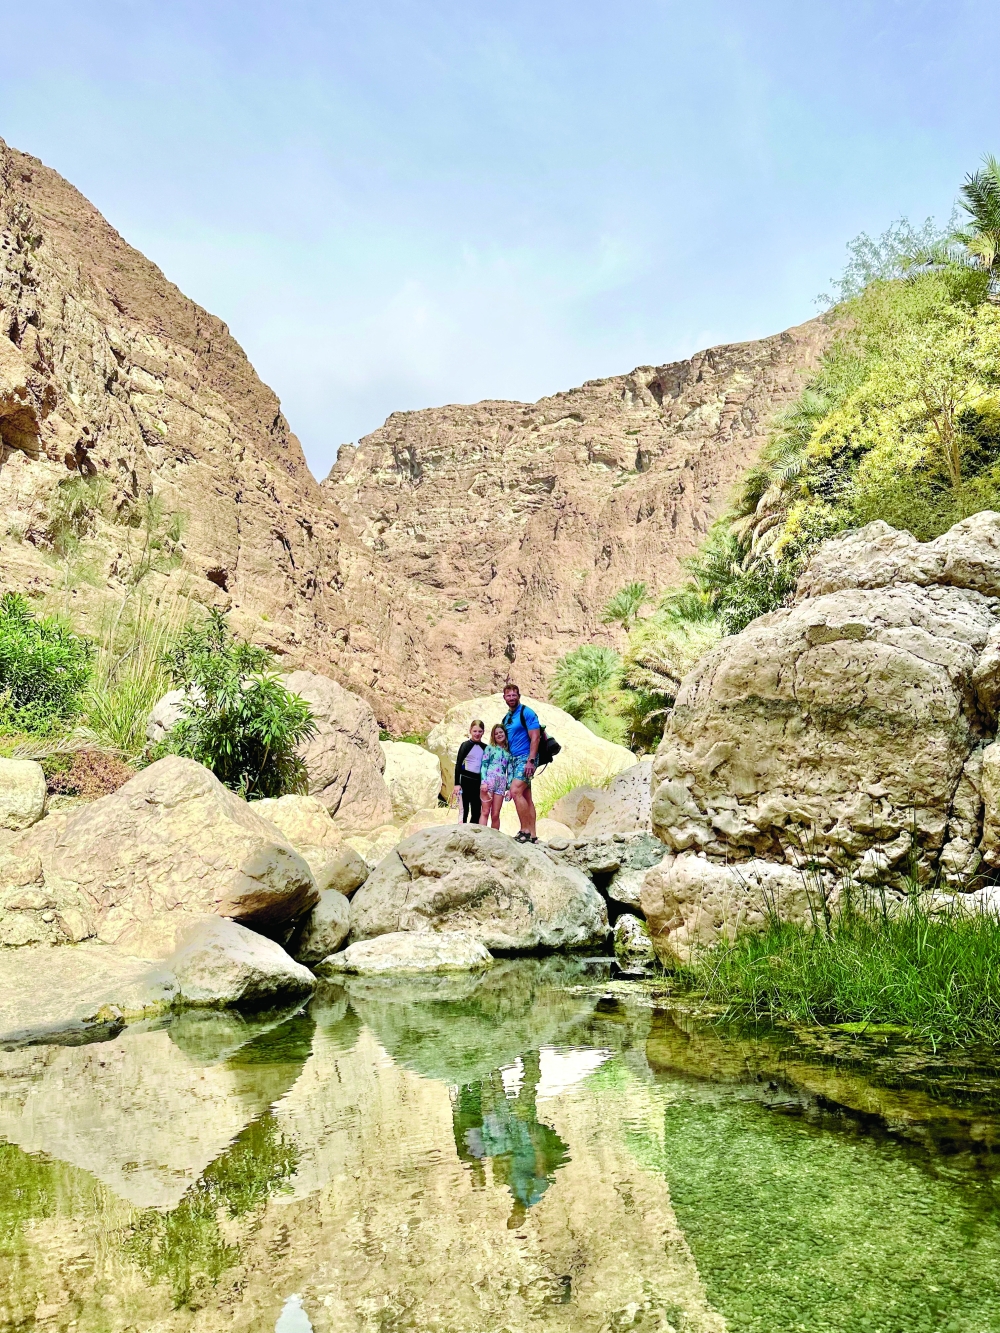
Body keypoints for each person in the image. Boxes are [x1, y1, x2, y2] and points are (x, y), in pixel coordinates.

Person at [501, 682, 540, 843]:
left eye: (514, 695)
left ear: (519, 696)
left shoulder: (527, 712)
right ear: (504, 698)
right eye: (508, 695)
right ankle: (533, 835)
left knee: (516, 790)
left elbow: (535, 737)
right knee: (526, 795)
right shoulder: (507, 718)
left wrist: (531, 760)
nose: (511, 698)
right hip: (514, 759)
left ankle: (524, 831)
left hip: (526, 757)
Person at [479, 724, 514, 830]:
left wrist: (509, 788)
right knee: (485, 811)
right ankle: (481, 836)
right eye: (496, 733)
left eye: (501, 732)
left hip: (501, 784)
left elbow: (510, 771)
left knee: (495, 814)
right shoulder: (489, 748)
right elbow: (484, 765)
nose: (499, 735)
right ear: (493, 736)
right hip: (489, 781)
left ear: (505, 734)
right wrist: (483, 782)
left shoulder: (509, 752)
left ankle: (494, 839)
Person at [453, 719, 486, 823]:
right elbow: (458, 764)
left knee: (476, 811)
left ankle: (472, 834)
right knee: (464, 810)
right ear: (470, 731)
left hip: (478, 782)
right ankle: (461, 831)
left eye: (480, 731)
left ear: (483, 732)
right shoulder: (465, 745)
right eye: (475, 731)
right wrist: (456, 784)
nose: (477, 734)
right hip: (465, 781)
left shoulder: (485, 747)